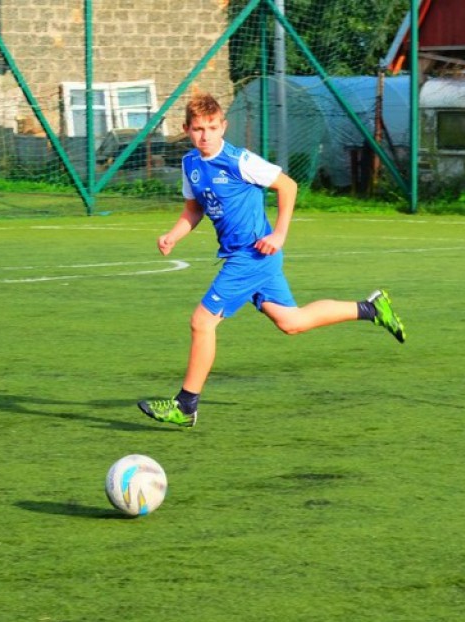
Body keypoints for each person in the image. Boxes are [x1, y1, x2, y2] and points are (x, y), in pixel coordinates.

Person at [137, 92, 405, 428]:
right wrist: (174, 235)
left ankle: (185, 404)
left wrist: (279, 234)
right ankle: (371, 309)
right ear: (186, 129)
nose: (205, 135)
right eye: (198, 129)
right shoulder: (191, 164)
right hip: (250, 257)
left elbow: (288, 186)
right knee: (292, 322)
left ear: (223, 127)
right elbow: (194, 209)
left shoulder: (239, 161)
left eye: (212, 127)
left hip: (251, 255)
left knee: (202, 322)